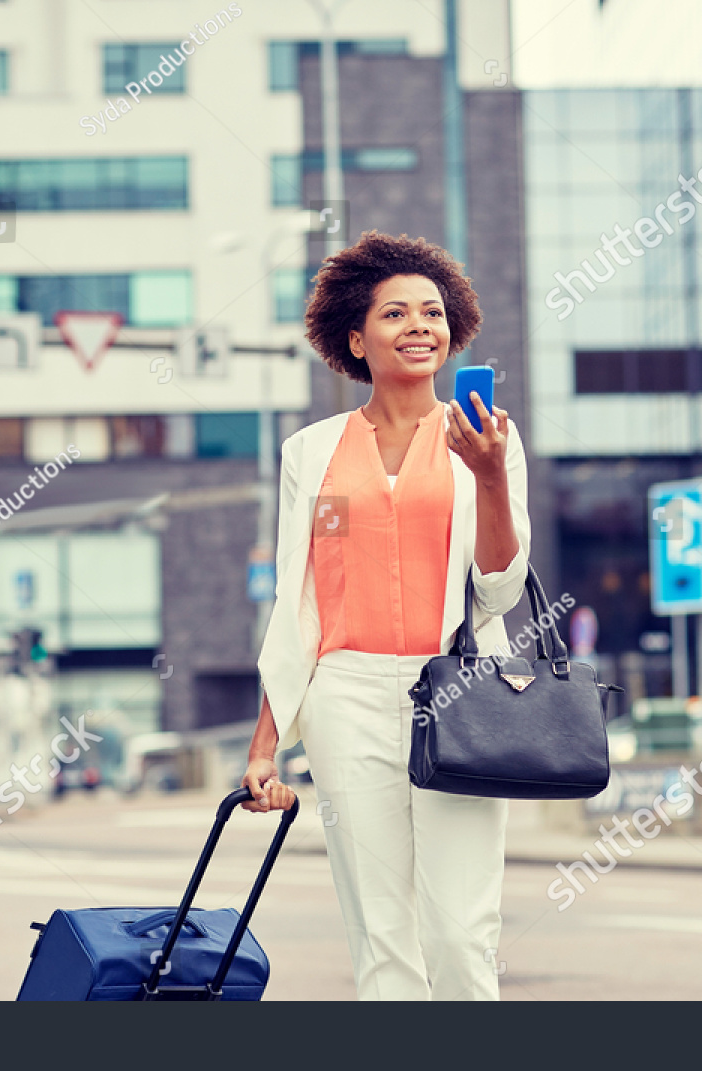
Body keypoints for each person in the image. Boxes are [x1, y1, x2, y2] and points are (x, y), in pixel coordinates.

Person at [244, 231, 531, 1001]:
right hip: (346, 693)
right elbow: (295, 602)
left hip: (459, 694)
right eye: (396, 312)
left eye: (432, 313)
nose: (418, 326)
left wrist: (492, 478)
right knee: (380, 931)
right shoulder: (309, 452)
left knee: (460, 930)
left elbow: (500, 590)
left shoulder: (488, 439)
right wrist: (265, 745)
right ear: (354, 336)